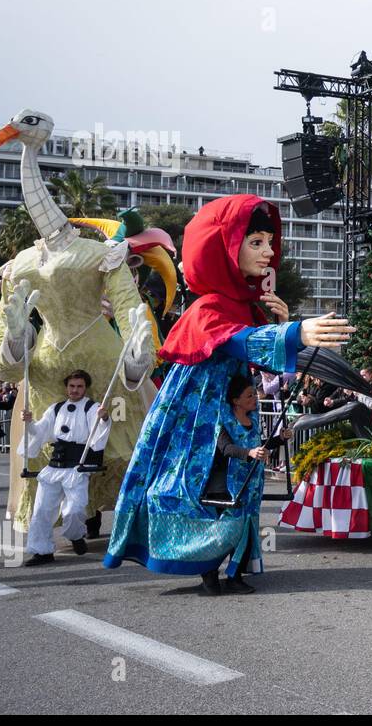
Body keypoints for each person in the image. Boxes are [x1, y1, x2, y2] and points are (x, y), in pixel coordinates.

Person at [104, 195, 351, 588]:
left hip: (238, 410)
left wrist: (283, 325)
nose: (269, 252)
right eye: (255, 242)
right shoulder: (208, 308)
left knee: (244, 480)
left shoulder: (245, 304)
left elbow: (261, 354)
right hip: (201, 417)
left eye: (269, 242)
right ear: (222, 248)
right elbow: (239, 342)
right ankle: (205, 565)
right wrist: (293, 331)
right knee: (200, 481)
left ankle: (233, 566)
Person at [198, 374, 292, 594]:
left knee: (245, 534)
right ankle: (209, 574)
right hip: (226, 488)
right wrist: (249, 453)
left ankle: (235, 576)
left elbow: (260, 445)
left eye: (253, 395)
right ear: (235, 400)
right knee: (224, 534)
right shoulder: (223, 422)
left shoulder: (254, 420)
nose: (255, 399)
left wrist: (280, 438)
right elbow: (226, 449)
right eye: (249, 395)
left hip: (250, 486)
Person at [19, 370, 111, 566]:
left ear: (85, 388)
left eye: (79, 386)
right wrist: (29, 422)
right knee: (42, 511)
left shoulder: (92, 407)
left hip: (77, 468)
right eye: (72, 386)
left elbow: (99, 433)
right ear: (66, 387)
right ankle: (42, 551)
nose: (75, 390)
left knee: (74, 511)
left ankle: (76, 536)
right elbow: (40, 431)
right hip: (54, 467)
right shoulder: (56, 408)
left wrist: (103, 418)